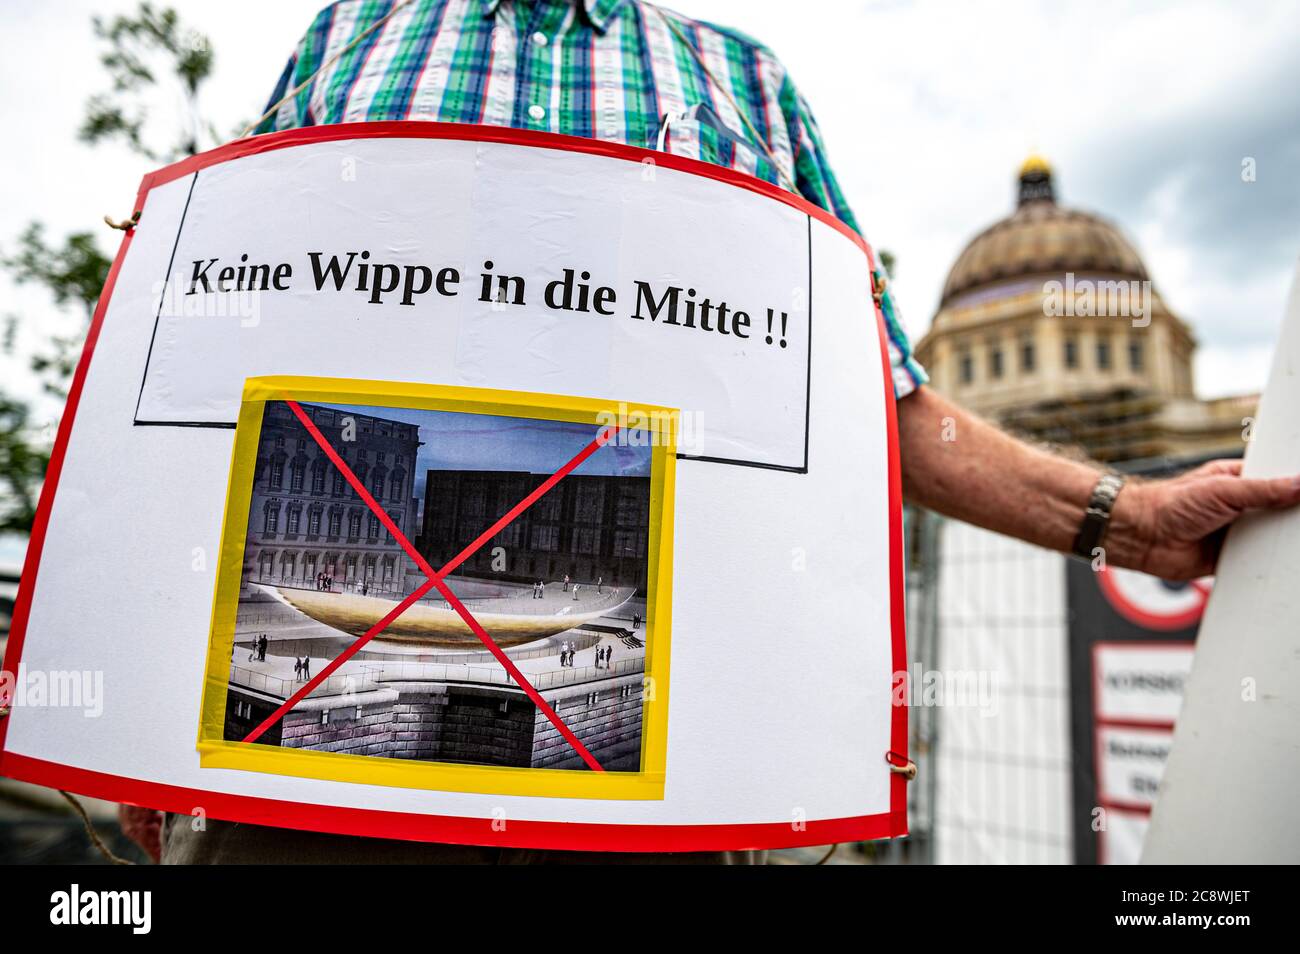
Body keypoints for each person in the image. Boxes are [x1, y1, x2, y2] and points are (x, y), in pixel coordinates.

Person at [136, 0, 1300, 868]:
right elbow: (221, 338)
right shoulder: (352, 32)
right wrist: (116, 690)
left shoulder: (741, 79)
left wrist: (1131, 519)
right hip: (302, 795)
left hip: (668, 792)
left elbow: (866, 396)